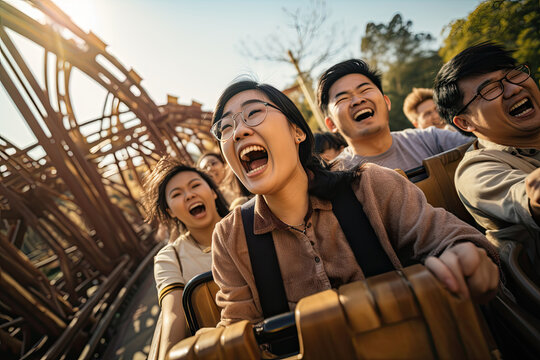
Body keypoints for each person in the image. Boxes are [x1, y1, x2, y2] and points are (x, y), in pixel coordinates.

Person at [209, 79, 499, 327]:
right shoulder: (229, 237)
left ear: (297, 132)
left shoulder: (369, 185)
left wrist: (464, 255)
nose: (238, 132)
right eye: (225, 128)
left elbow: (442, 235)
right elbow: (238, 328)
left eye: (254, 113)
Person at [434, 42, 540, 267]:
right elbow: (528, 198)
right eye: (490, 89)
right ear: (465, 122)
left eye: (512, 75)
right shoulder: (476, 170)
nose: (514, 89)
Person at [316, 59, 472, 174]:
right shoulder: (336, 176)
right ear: (331, 124)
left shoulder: (431, 140)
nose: (358, 100)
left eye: (364, 90)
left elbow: (485, 148)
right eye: (343, 98)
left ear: (386, 102)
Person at [142, 157, 229, 360]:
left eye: (196, 185)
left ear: (214, 192)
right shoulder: (169, 258)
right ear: (170, 212)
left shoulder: (251, 220)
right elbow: (173, 315)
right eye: (177, 194)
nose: (189, 195)